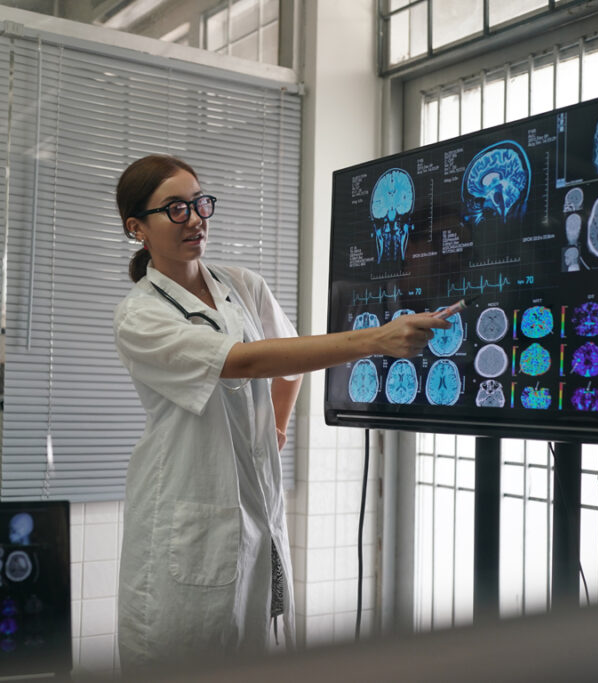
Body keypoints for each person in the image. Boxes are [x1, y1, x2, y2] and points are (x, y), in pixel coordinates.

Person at [113, 154, 454, 671]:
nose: (196, 218)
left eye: (200, 203)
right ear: (137, 227)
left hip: (254, 507)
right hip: (183, 506)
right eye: (176, 209)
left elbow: (289, 360)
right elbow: (243, 361)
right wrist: (374, 339)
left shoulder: (240, 285)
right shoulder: (140, 316)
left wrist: (275, 426)